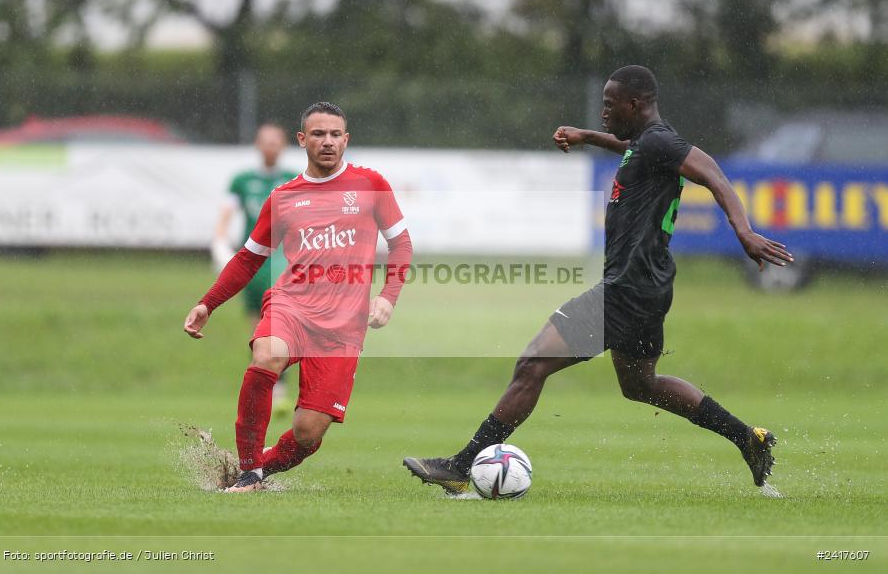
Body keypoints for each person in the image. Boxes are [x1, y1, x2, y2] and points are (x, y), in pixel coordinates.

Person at [403, 65, 792, 494]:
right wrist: (589, 136)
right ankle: (748, 439)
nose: (605, 112)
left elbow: (713, 172)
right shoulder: (647, 142)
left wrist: (744, 230)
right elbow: (629, 146)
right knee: (641, 385)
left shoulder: (661, 141)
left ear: (635, 104)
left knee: (532, 365)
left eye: (610, 105)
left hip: (626, 289)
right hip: (649, 286)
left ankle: (461, 467)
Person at [185, 102, 413, 492]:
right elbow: (248, 259)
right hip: (292, 304)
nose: (328, 142)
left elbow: (402, 245)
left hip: (343, 325)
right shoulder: (284, 197)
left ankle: (258, 466)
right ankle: (248, 472)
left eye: (335, 134)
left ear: (347, 140)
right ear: (302, 139)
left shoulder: (371, 184)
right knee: (267, 356)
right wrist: (208, 302)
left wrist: (388, 296)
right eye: (319, 134)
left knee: (308, 433)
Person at [211, 123, 298, 413]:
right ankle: (262, 393)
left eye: (276, 141)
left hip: (285, 262)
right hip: (255, 263)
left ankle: (280, 391)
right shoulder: (242, 181)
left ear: (283, 145)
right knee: (258, 330)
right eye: (265, 141)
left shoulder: (294, 179)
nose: (270, 147)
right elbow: (225, 217)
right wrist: (220, 245)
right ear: (258, 145)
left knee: (282, 327)